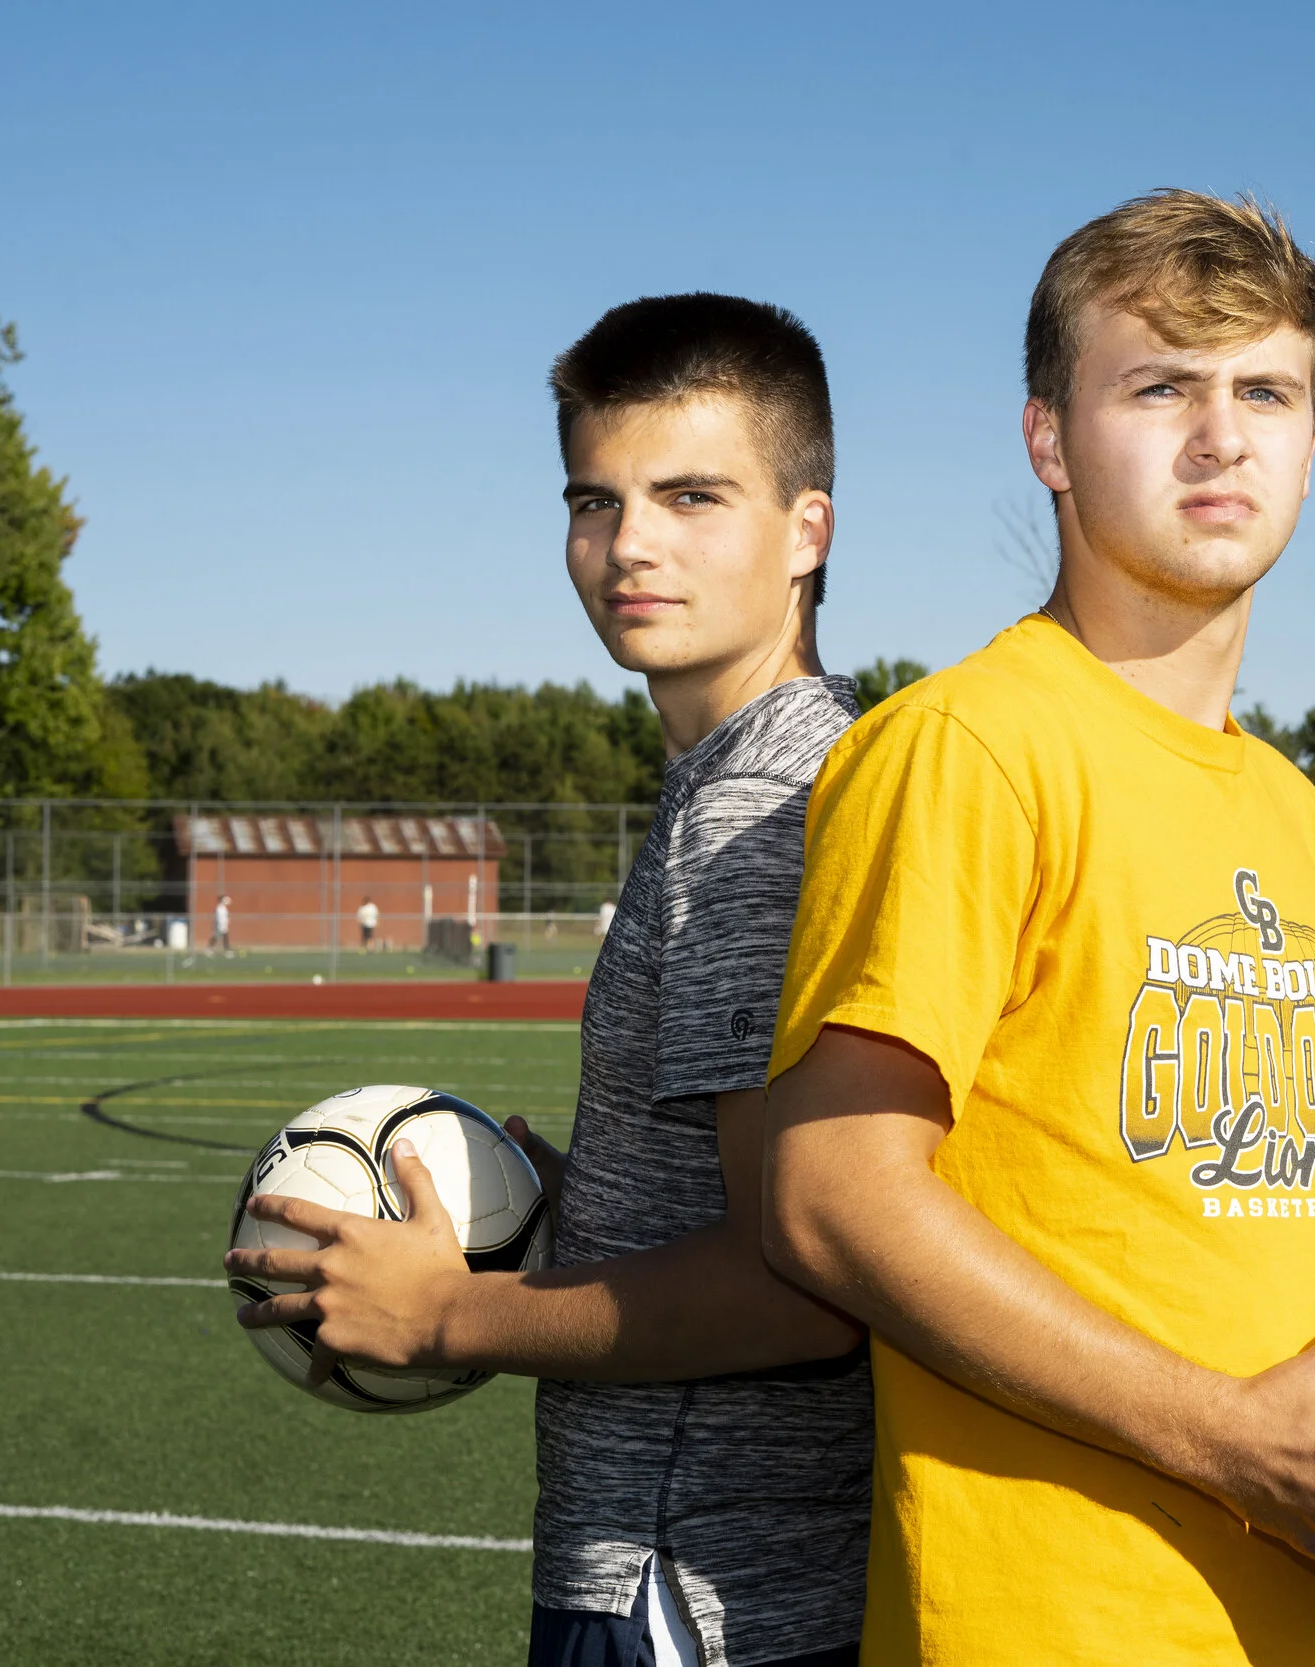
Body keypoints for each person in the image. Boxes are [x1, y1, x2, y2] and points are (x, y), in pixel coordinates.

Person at [761, 192, 1315, 1667]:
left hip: (1301, 1605)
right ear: (1049, 436)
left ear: (1312, 445)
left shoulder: (1291, 806)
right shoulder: (971, 743)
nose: (1221, 434)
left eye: (1266, 391)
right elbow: (831, 1192)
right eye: (1159, 386)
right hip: (1056, 1617)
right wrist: (1230, 1436)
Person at [226, 293, 869, 1667]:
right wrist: (585, 1213)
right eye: (595, 498)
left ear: (807, 528)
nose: (629, 544)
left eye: (693, 495)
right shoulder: (812, 762)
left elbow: (803, 1277)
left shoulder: (750, 808)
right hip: (771, 1566)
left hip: (686, 1578)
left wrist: (455, 1307)